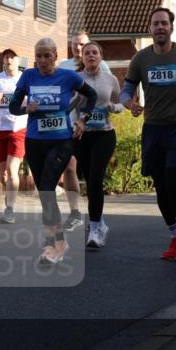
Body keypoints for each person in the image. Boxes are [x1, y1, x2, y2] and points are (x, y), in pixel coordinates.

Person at [120, 8, 176, 263]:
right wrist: (130, 104)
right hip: (153, 128)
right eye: (156, 24)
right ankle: (175, 236)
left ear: (171, 27)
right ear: (149, 29)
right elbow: (125, 91)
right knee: (160, 187)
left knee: (173, 182)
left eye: (164, 23)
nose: (160, 27)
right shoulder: (140, 59)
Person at [9, 38, 97, 264]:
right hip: (34, 142)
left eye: (47, 56)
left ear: (56, 56)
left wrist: (83, 120)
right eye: (38, 56)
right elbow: (12, 106)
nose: (42, 60)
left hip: (61, 141)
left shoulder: (68, 77)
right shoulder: (28, 76)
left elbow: (92, 95)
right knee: (44, 194)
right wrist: (26, 108)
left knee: (48, 189)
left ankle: (53, 245)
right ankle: (59, 241)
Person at [57, 31, 111, 231]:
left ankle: (97, 217)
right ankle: (75, 213)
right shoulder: (64, 66)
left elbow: (109, 94)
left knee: (93, 177)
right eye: (75, 44)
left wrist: (111, 108)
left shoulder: (101, 65)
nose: (78, 48)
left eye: (82, 45)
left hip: (95, 128)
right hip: (69, 126)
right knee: (70, 167)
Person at [74, 41, 122, 249]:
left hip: (104, 135)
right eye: (87, 53)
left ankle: (94, 230)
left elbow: (122, 102)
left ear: (101, 57)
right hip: (82, 136)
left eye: (95, 52)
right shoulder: (75, 79)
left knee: (95, 179)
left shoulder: (110, 79)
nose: (91, 56)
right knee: (88, 180)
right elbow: (69, 105)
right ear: (82, 58)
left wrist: (113, 107)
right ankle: (99, 221)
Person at [0, 49, 28, 224]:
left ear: (19, 60)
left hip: (18, 129)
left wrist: (23, 101)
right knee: (3, 176)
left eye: (12, 57)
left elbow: (33, 100)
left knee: (12, 171)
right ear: (3, 60)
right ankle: (9, 194)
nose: (9, 59)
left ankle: (10, 208)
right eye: (6, 57)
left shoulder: (25, 79)